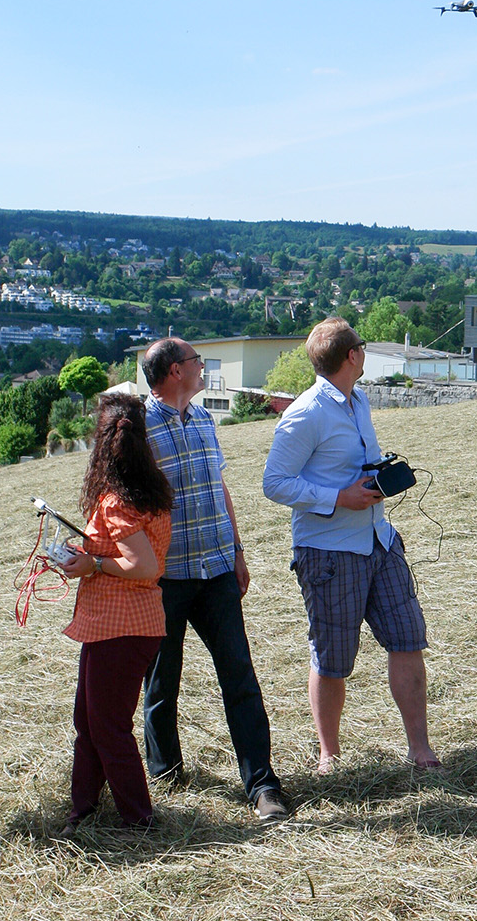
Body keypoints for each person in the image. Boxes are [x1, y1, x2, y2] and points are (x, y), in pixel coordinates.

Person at [261, 318, 439, 774]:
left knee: (407, 639)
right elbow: (274, 483)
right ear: (352, 356)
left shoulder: (356, 400)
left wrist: (375, 476)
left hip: (379, 540)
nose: (364, 351)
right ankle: (329, 757)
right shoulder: (306, 412)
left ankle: (420, 751)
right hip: (329, 553)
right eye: (361, 346)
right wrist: (339, 497)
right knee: (333, 657)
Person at [137, 338, 292, 821]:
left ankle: (263, 785)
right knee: (162, 682)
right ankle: (165, 774)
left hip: (218, 569)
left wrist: (239, 551)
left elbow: (219, 487)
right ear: (173, 372)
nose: (203, 369)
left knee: (240, 677)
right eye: (197, 363)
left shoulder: (204, 419)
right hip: (165, 578)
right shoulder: (137, 429)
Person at [57, 393, 173, 832]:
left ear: (101, 444)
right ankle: (82, 811)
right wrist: (89, 553)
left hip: (121, 628)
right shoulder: (148, 487)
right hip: (127, 624)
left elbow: (144, 566)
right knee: (89, 722)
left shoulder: (115, 499)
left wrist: (94, 564)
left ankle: (139, 819)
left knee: (106, 727)